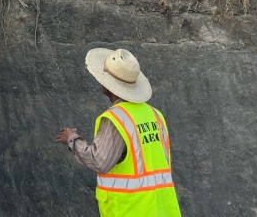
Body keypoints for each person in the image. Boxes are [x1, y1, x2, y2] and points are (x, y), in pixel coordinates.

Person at [55, 48, 182, 217]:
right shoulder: (155, 115)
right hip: (163, 209)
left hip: (131, 210)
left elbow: (99, 161)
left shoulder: (116, 119)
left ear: (108, 85)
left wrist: (72, 139)